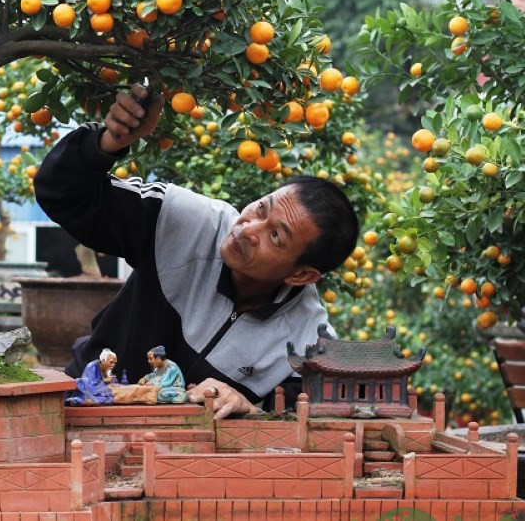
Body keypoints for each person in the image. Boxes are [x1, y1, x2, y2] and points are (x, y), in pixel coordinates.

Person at [34, 84, 359, 419]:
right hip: (79, 411)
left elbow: (309, 424)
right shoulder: (186, 221)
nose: (247, 230)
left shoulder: (307, 341)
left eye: (275, 236)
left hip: (177, 459)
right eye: (261, 209)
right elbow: (62, 194)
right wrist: (108, 142)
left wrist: (251, 411)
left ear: (302, 275)